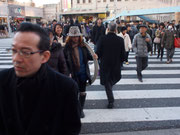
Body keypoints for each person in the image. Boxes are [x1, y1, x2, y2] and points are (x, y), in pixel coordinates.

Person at [0, 23, 81, 135]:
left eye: (26, 52)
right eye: (14, 50)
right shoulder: (2, 81)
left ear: (45, 56)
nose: (16, 59)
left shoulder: (66, 88)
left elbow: (71, 129)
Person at [64, 26, 98, 118]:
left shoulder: (83, 46)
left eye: (76, 36)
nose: (75, 38)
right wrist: (67, 73)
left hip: (83, 72)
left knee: (82, 91)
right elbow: (64, 61)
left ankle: (81, 109)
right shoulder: (67, 47)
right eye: (73, 36)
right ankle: (75, 109)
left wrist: (94, 56)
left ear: (79, 36)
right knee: (74, 93)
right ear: (70, 37)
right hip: (73, 73)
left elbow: (88, 56)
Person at [96, 21, 125, 109]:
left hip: (105, 64)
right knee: (112, 80)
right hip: (116, 64)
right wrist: (120, 61)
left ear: (107, 29)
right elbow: (123, 55)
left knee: (107, 82)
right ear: (116, 30)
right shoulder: (120, 40)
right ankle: (110, 96)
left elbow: (98, 52)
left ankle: (110, 100)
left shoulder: (102, 38)